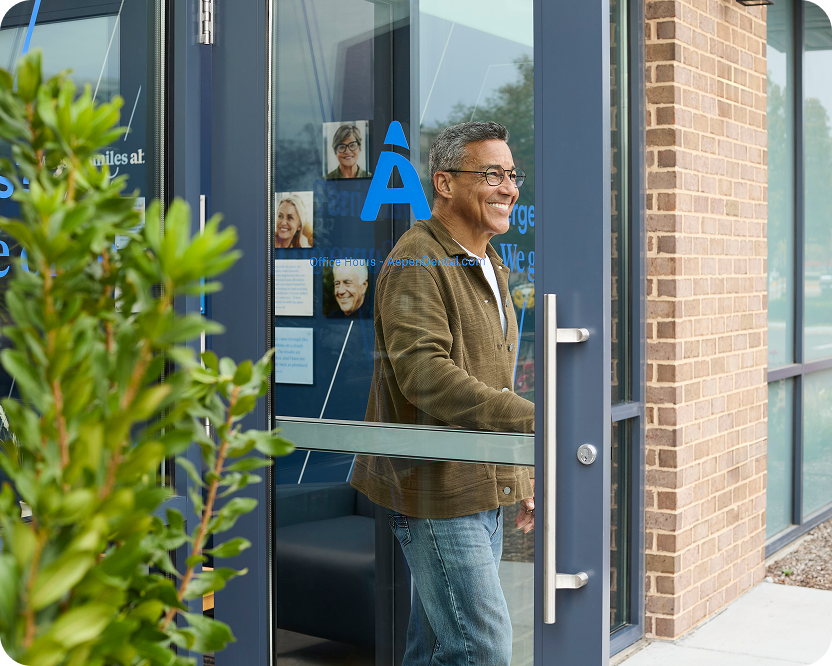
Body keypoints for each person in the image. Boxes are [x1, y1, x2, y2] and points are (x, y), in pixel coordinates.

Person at [350, 121, 534, 665]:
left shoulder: (490, 262)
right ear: (446, 183)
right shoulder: (416, 260)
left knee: (434, 645)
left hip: (481, 483)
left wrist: (520, 471)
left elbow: (492, 377)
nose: (510, 188)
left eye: (512, 175)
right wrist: (535, 420)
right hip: (436, 489)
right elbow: (425, 375)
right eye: (493, 175)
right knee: (481, 647)